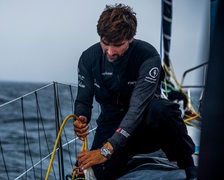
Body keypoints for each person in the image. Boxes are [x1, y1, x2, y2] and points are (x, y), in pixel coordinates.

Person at [73, 4, 197, 180]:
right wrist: (81, 118)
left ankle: (187, 163)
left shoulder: (147, 56)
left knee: (162, 110)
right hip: (111, 123)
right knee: (92, 173)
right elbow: (83, 101)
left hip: (146, 124)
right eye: (105, 42)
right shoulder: (89, 58)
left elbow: (137, 108)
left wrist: (106, 150)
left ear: (130, 39)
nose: (109, 51)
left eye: (117, 45)